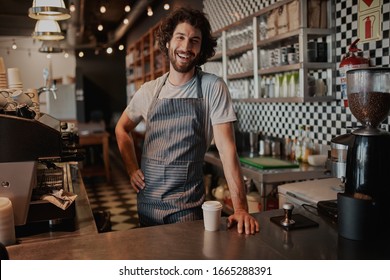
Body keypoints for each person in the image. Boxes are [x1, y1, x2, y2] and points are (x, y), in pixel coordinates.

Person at [115, 7, 259, 234]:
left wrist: (240, 208)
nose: (185, 47)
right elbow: (122, 129)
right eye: (180, 37)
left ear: (201, 49)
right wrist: (131, 168)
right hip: (147, 205)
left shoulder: (212, 87)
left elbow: (227, 150)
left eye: (194, 41)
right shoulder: (149, 91)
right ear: (168, 42)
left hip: (187, 209)